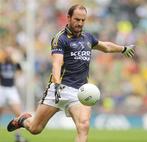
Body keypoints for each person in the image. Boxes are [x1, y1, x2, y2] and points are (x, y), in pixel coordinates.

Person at [7, 4, 135, 142]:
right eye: (77, 19)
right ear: (68, 17)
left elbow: (105, 46)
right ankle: (23, 120)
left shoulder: (88, 37)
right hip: (59, 88)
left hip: (80, 93)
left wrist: (123, 48)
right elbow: (57, 63)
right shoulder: (60, 38)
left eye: (83, 20)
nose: (80, 23)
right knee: (35, 129)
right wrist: (56, 85)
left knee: (84, 125)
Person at [0, 48, 27, 142]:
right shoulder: (1, 63)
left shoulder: (15, 64)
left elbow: (20, 71)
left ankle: (18, 136)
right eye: (7, 52)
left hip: (11, 89)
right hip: (2, 89)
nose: (8, 54)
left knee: (18, 113)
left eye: (10, 52)